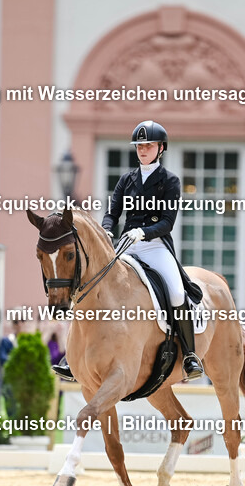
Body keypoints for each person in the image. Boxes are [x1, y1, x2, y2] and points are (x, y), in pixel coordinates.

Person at [54, 120, 203, 382]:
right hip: (126, 246)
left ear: (160, 148)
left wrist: (143, 232)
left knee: (178, 292)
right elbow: (112, 214)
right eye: (139, 146)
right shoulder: (126, 180)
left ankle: (190, 354)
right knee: (91, 286)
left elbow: (168, 221)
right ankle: (72, 356)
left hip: (154, 245)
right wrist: (107, 230)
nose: (143, 150)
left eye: (148, 145)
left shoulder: (170, 181)